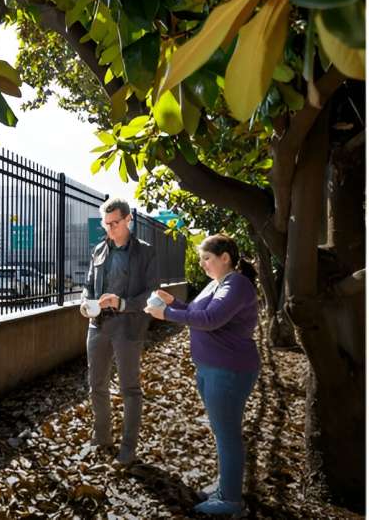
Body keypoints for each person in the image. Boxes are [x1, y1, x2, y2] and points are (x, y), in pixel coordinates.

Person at [143, 233, 259, 515]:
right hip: (212, 368)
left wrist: (167, 314)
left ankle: (231, 500)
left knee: (228, 434)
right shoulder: (217, 284)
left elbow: (210, 319)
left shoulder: (237, 285)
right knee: (223, 432)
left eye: (207, 258)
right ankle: (226, 487)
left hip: (229, 370)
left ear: (225, 258)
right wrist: (176, 303)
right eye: (201, 259)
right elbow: (197, 311)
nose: (203, 264)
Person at [80, 198, 157, 466]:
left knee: (129, 389)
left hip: (128, 326)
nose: (110, 228)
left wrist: (122, 303)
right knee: (96, 385)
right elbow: (89, 284)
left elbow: (151, 293)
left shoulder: (145, 252)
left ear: (128, 220)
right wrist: (87, 301)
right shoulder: (99, 250)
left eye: (115, 223)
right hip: (98, 325)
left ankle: (128, 448)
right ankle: (101, 437)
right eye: (106, 223)